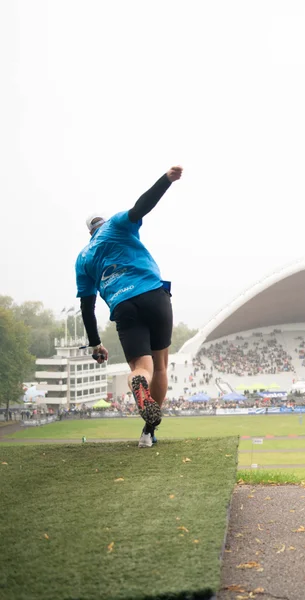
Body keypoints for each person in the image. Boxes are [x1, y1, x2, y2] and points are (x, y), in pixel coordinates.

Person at [75, 165, 183, 448]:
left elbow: (88, 307)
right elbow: (141, 207)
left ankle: (138, 382)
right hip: (153, 295)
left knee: (141, 367)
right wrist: (166, 180)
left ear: (89, 232)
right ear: (104, 223)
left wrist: (96, 344)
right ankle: (148, 432)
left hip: (123, 306)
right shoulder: (117, 224)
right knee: (160, 367)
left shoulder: (83, 258)